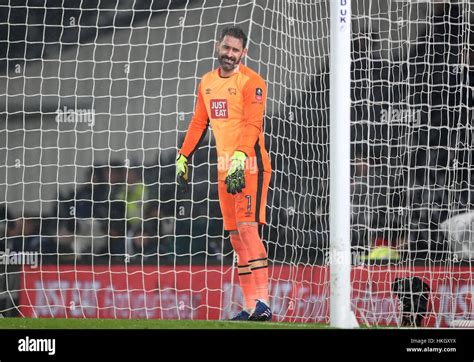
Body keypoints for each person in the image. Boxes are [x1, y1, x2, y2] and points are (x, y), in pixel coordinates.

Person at [176, 26, 272, 321]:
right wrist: (183, 155)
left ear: (244, 53)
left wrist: (240, 157)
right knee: (234, 237)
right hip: (222, 167)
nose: (230, 54)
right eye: (226, 48)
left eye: (235, 50)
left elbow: (253, 125)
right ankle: (250, 305)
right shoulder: (206, 82)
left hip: (249, 164)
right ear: (218, 47)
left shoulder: (252, 81)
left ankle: (264, 303)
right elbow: (198, 123)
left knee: (247, 229)